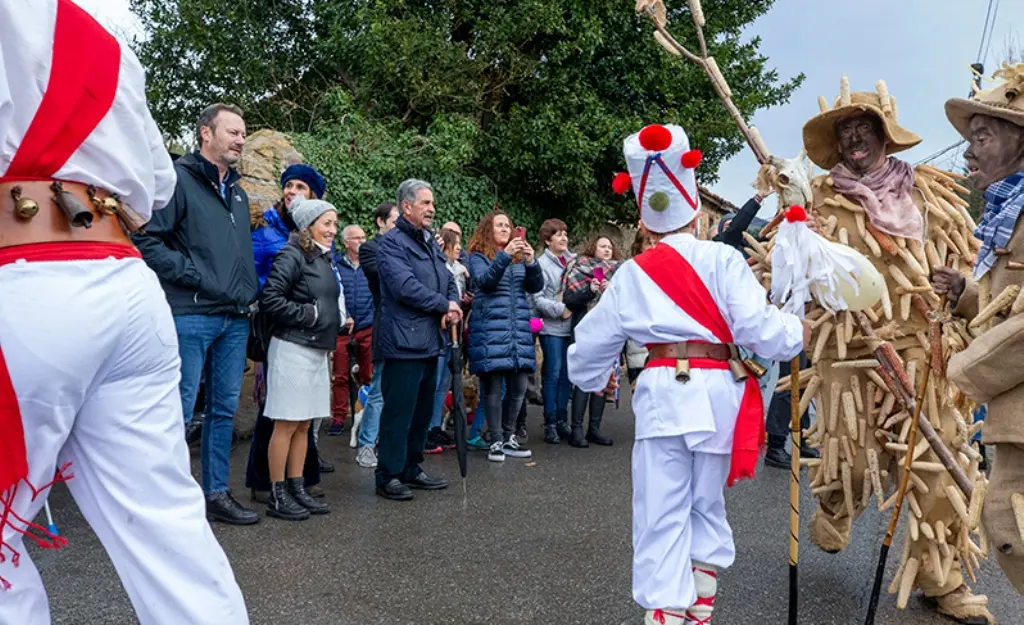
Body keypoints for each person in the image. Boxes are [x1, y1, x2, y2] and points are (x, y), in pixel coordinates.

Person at [0, 1, 249, 622]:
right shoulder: (101, 38)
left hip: (24, 283)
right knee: (165, 525)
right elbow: (155, 189)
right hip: (121, 281)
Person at [568, 123, 808, 625]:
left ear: (648, 225)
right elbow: (762, 329)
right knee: (705, 507)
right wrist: (796, 330)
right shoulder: (723, 258)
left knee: (661, 514)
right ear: (697, 214)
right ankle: (697, 617)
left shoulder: (632, 273)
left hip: (662, 397)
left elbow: (590, 346)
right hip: (719, 395)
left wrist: (591, 378)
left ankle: (667, 619)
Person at [797, 77, 992, 622]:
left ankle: (942, 579)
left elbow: (972, 261)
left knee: (938, 465)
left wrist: (963, 292)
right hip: (849, 352)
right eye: (847, 132)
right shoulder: (817, 200)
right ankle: (837, 499)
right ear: (837, 144)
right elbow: (784, 271)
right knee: (852, 461)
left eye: (865, 129)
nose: (856, 138)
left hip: (923, 352)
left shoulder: (929, 193)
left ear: (885, 137)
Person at [132, 102, 260, 526]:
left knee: (223, 410)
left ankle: (216, 494)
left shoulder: (238, 194)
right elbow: (147, 239)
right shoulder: (177, 181)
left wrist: (246, 296)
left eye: (243, 133)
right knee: (179, 410)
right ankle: (166, 502)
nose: (241, 139)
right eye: (233, 131)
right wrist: (193, 275)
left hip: (235, 316)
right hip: (191, 312)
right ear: (206, 133)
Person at [935, 65, 1024, 594]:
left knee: (1007, 523)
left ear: (1019, 140)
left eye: (983, 137)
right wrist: (967, 293)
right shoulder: (1005, 211)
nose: (969, 151)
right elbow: (1005, 303)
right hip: (1015, 410)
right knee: (1007, 525)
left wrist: (967, 369)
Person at [374, 180, 460, 500]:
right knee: (399, 411)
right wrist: (443, 305)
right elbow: (404, 287)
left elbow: (447, 279)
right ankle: (388, 474)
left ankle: (411, 466)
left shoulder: (428, 242)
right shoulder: (391, 243)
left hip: (429, 340)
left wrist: (450, 304)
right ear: (406, 207)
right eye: (425, 203)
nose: (431, 208)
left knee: (422, 411)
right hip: (403, 341)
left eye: (432, 202)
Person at [246, 163, 327, 503]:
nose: (291, 191)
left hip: (310, 335)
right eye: (288, 185)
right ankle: (264, 484)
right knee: (277, 412)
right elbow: (257, 283)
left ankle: (300, 480)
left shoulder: (317, 236)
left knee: (302, 415)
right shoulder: (267, 233)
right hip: (278, 331)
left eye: (300, 187)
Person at [259, 199, 340, 520]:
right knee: (287, 423)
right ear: (308, 226)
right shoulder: (292, 254)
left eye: (335, 224)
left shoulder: (321, 258)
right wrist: (308, 315)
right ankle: (277, 495)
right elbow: (270, 299)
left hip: (316, 350)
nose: (333, 230)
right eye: (327, 223)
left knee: (305, 424)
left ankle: (297, 488)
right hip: (292, 348)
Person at [465, 210, 544, 463]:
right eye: (499, 225)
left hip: (517, 328)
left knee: (520, 385)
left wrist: (531, 262)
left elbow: (535, 286)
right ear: (488, 230)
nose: (504, 229)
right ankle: (496, 440)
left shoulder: (518, 259)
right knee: (493, 387)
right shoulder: (477, 256)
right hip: (490, 328)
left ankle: (509, 437)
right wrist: (504, 256)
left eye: (507, 226)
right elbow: (485, 282)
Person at [563, 235, 623, 447]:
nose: (607, 250)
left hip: (608, 331)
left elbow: (625, 303)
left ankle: (594, 429)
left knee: (603, 378)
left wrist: (611, 292)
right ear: (593, 248)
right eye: (602, 246)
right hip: (585, 329)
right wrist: (590, 290)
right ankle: (576, 430)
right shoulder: (580, 267)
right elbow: (569, 300)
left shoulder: (619, 272)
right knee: (584, 380)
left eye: (609, 246)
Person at [354, 202, 399, 469]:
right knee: (380, 389)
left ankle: (391, 442)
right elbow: (385, 277)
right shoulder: (370, 248)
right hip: (386, 325)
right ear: (380, 222)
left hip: (411, 329)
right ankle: (366, 445)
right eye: (395, 220)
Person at [531, 218, 576, 443]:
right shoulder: (540, 264)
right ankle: (549, 422)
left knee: (567, 373)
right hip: (551, 326)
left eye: (565, 234)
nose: (564, 238)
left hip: (572, 327)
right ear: (548, 240)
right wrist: (561, 309)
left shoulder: (575, 261)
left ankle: (562, 420)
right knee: (553, 372)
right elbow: (537, 298)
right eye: (558, 234)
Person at [427, 228, 470, 452]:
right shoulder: (438, 267)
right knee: (434, 383)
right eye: (456, 243)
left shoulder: (458, 269)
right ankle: (426, 429)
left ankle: (435, 426)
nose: (459, 247)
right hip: (439, 331)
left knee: (444, 384)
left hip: (453, 332)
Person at [330, 224, 370, 436]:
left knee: (368, 374)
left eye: (364, 237)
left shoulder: (371, 264)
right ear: (346, 242)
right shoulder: (335, 264)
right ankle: (338, 417)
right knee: (340, 375)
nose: (362, 242)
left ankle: (368, 416)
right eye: (357, 238)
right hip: (343, 328)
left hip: (367, 326)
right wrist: (344, 318)